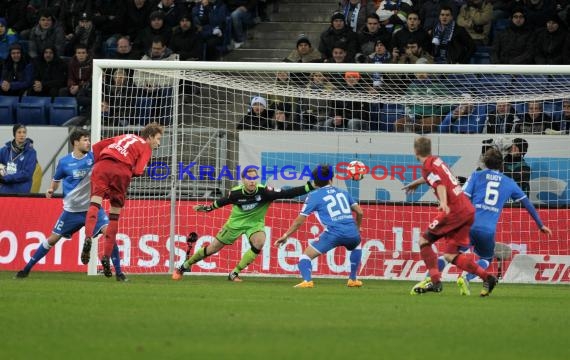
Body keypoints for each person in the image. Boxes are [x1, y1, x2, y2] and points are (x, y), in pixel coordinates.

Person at [15, 129, 128, 281]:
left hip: (92, 208)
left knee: (110, 233)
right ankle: (26, 269)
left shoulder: (95, 157)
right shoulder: (64, 162)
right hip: (71, 211)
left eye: (88, 140)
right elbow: (56, 181)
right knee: (52, 239)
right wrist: (50, 189)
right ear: (76, 142)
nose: (88, 143)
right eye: (85, 140)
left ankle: (119, 274)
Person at [172, 167, 315, 282]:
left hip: (255, 224)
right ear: (243, 180)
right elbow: (222, 201)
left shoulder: (264, 191)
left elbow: (288, 193)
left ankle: (234, 273)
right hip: (235, 224)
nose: (252, 181)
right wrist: (207, 208)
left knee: (259, 242)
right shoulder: (236, 193)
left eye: (254, 178)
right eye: (249, 178)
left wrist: (310, 186)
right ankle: (184, 266)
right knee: (212, 248)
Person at [403, 136, 497, 296]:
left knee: (424, 241)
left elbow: (439, 184)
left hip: (453, 211)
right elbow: (442, 178)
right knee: (450, 254)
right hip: (467, 209)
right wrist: (417, 182)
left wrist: (444, 203)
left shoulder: (426, 166)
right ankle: (487, 277)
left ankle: (435, 281)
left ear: (415, 151)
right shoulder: (436, 161)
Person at [82, 122, 163, 277]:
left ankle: (87, 238)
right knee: (114, 216)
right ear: (150, 136)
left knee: (95, 203)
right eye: (158, 139)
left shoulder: (125, 135)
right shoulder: (145, 147)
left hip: (102, 165)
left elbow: (98, 147)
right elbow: (139, 171)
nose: (158, 144)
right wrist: (127, 170)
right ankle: (106, 255)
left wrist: (102, 163)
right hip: (121, 171)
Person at [274, 165, 364, 288]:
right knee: (357, 244)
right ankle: (353, 279)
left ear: (315, 182)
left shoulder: (313, 196)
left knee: (305, 257)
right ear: (331, 178)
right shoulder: (343, 192)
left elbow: (299, 221)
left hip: (333, 234)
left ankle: (307, 281)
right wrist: (357, 229)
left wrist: (286, 235)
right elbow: (360, 212)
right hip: (351, 233)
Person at [0, 124, 38, 194]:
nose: (22, 135)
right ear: (14, 134)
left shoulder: (31, 152)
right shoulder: (5, 150)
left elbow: (27, 174)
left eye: (24, 132)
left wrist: (6, 178)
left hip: (21, 192)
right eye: (19, 132)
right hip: (4, 191)